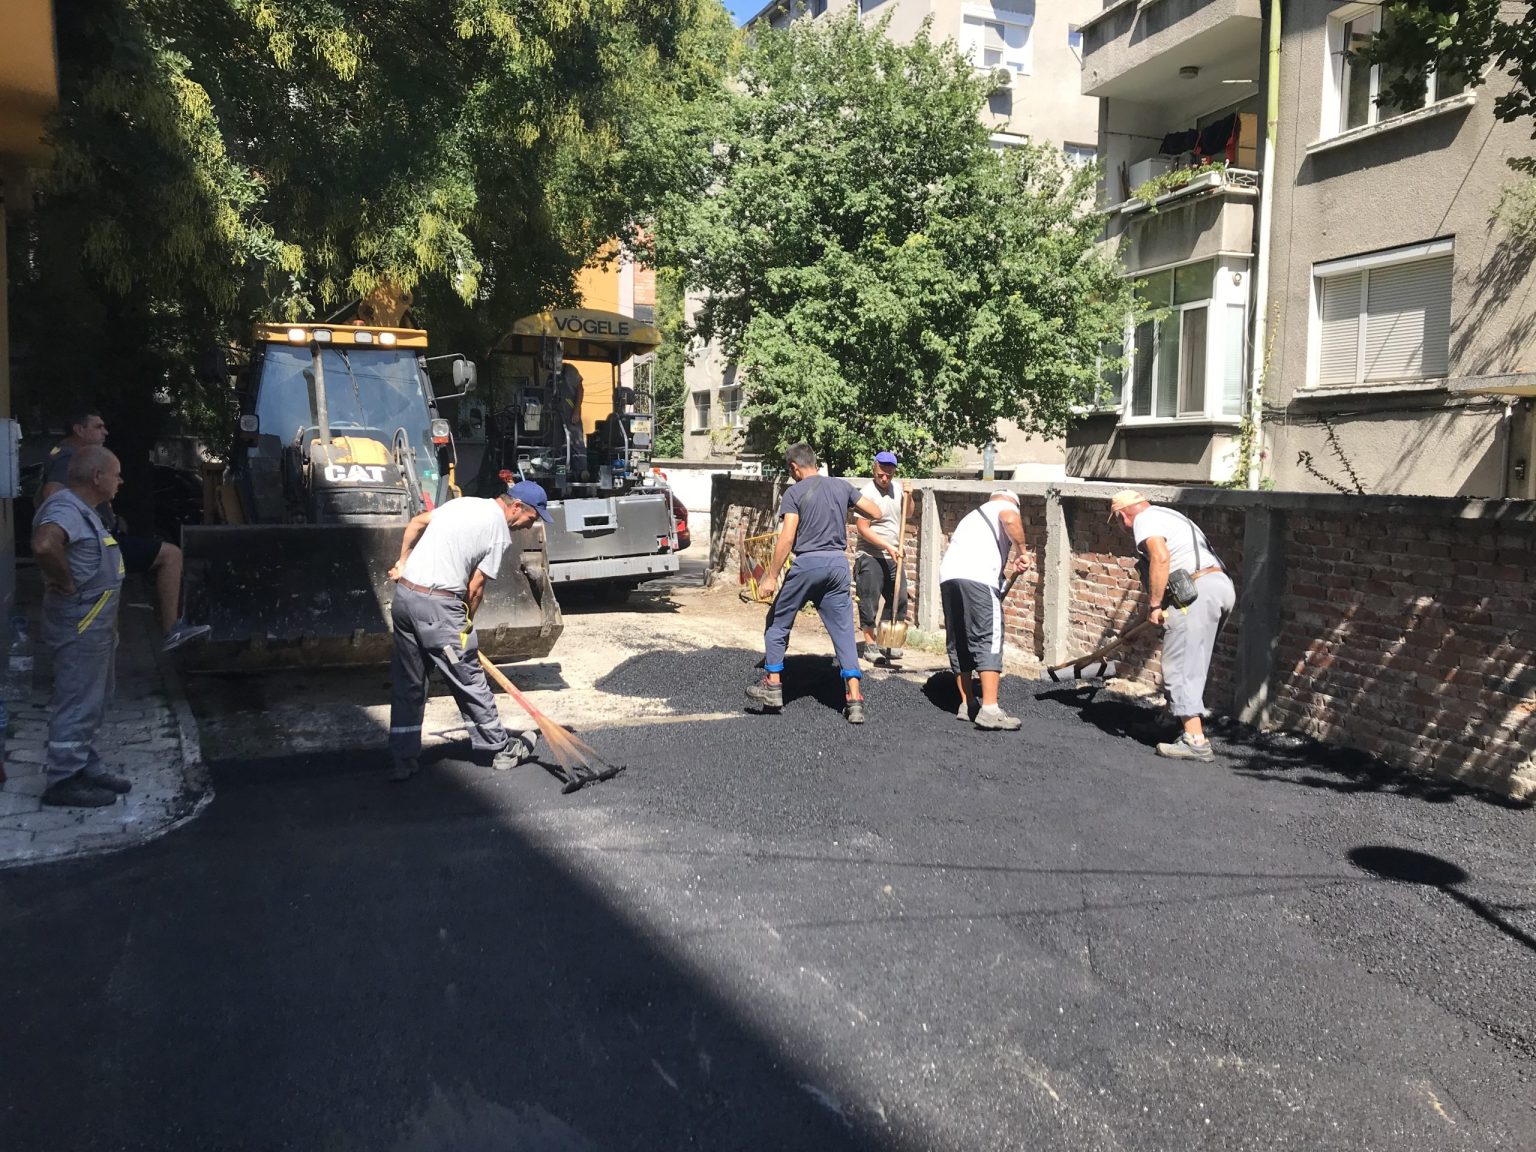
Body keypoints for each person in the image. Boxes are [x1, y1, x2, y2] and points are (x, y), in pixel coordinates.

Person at [385, 480, 552, 781]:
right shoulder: (498, 531)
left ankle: (402, 758)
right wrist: (465, 627)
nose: (531, 524)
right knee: (468, 678)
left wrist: (403, 562)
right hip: (438, 607)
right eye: (532, 517)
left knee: (409, 682)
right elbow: (475, 588)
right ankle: (500, 748)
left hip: (405, 600)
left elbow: (417, 522)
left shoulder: (464, 504)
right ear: (516, 507)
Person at [38, 409, 209, 652]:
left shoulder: (64, 453)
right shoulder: (68, 457)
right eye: (98, 426)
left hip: (98, 560)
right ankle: (171, 629)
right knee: (171, 555)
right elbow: (52, 495)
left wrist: (109, 516)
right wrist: (92, 520)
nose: (105, 432)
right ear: (79, 429)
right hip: (97, 547)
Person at [747, 443, 885, 725]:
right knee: (844, 632)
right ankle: (854, 700)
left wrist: (771, 576)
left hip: (808, 564)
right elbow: (875, 512)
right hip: (837, 566)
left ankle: (773, 686)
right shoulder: (841, 486)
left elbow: (787, 537)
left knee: (777, 622)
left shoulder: (794, 493)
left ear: (795, 468)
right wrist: (846, 509)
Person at [30, 446, 133, 808]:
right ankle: (63, 778)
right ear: (97, 477)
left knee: (93, 700)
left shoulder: (85, 511)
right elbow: (45, 545)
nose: (120, 481)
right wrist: (65, 581)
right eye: (116, 474)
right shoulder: (66, 508)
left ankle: (84, 763)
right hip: (80, 625)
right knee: (77, 700)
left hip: (96, 627)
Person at [1107, 490, 1236, 762]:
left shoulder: (1144, 520)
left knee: (1181, 664)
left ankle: (1195, 740)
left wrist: (1155, 606)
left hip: (1196, 591)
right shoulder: (1170, 516)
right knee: (1190, 658)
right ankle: (1169, 720)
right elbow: (1168, 579)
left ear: (1121, 516)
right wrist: (1142, 619)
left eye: (1117, 521)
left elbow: (1161, 558)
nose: (1121, 527)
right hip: (1218, 588)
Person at [938, 490, 1028, 731]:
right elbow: (1010, 519)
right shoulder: (1006, 508)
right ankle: (990, 709)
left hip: (949, 577)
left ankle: (968, 704)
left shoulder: (972, 517)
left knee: (959, 639)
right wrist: (1022, 551)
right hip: (978, 578)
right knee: (990, 635)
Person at [853, 450, 910, 664]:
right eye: (881, 474)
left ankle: (887, 641)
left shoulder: (897, 490)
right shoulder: (867, 493)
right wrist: (887, 545)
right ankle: (870, 645)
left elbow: (908, 513)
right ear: (874, 469)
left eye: (889, 475)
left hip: (893, 555)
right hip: (870, 555)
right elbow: (862, 528)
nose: (885, 479)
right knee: (869, 600)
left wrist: (910, 495)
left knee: (899, 598)